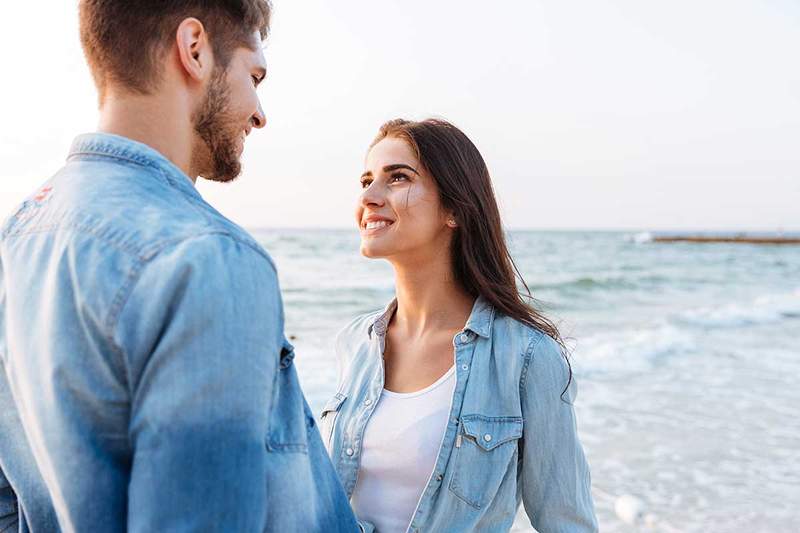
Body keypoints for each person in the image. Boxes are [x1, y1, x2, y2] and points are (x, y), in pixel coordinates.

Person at [0, 1, 359, 531]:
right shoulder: (207, 257)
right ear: (194, 49)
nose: (259, 111)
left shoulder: (17, 238)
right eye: (253, 75)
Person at [321, 118, 598, 532]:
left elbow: (568, 523)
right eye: (366, 180)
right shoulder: (355, 344)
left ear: (453, 208)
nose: (370, 196)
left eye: (397, 178)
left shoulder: (525, 358)